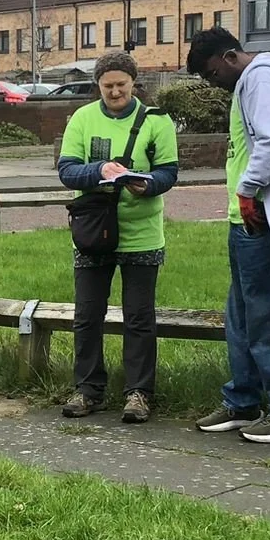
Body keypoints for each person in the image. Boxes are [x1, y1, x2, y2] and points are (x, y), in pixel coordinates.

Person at [186, 26, 270, 444]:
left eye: (212, 75)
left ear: (229, 57)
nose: (213, 84)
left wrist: (250, 189)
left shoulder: (260, 78)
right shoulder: (260, 81)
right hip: (245, 221)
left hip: (264, 220)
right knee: (242, 315)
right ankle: (243, 401)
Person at [56, 50, 179, 422]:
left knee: (139, 317)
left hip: (141, 233)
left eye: (120, 85)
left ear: (133, 83)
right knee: (87, 315)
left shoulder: (157, 122)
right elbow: (67, 171)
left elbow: (170, 172)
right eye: (107, 86)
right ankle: (87, 390)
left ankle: (138, 394)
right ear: (98, 86)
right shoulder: (81, 118)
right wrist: (99, 170)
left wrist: (149, 183)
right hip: (93, 233)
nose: (114, 93)